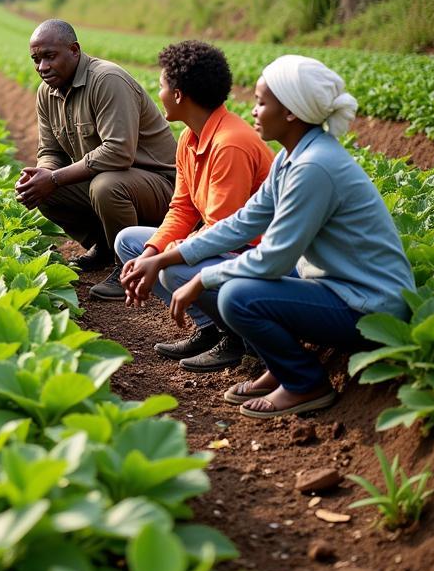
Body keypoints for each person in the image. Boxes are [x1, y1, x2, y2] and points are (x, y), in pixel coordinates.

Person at [142, 55, 413, 418]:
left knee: (238, 296)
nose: (253, 110)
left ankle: (305, 383)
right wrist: (168, 257)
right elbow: (242, 223)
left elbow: (273, 259)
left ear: (291, 112)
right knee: (245, 281)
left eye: (261, 102)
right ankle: (281, 368)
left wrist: (200, 279)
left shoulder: (313, 167)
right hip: (338, 287)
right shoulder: (293, 157)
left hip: (370, 308)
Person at [115, 41, 275, 371]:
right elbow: (183, 209)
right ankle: (211, 329)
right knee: (130, 243)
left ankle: (240, 339)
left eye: (161, 85)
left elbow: (223, 231)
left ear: (178, 95)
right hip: (227, 247)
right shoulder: (190, 137)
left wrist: (164, 257)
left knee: (173, 266)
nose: (157, 92)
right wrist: (150, 254)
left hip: (257, 256)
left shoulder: (230, 144)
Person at [15, 20, 177, 300]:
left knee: (105, 185)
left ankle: (128, 266)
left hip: (163, 189)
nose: (42, 67)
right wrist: (43, 177)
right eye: (36, 59)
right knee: (43, 189)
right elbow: (50, 152)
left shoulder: (106, 80)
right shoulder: (47, 92)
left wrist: (54, 178)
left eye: (49, 57)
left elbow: (118, 153)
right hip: (115, 182)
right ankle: (104, 245)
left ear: (74, 50)